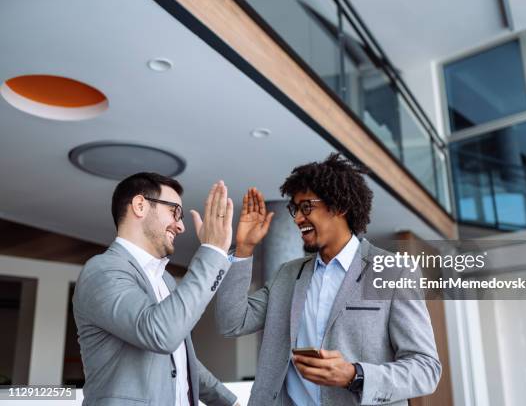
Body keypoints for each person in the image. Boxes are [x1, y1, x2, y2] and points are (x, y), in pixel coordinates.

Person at [217, 153, 441, 405]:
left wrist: (355, 375)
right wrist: (244, 248)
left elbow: (426, 369)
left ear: (339, 206)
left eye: (306, 207)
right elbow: (232, 323)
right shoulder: (287, 275)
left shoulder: (394, 271)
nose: (298, 218)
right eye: (295, 209)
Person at [73, 172, 239, 406]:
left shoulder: (167, 281)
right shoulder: (102, 270)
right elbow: (161, 334)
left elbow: (182, 359)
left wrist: (230, 403)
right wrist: (212, 251)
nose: (181, 225)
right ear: (140, 205)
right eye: (175, 211)